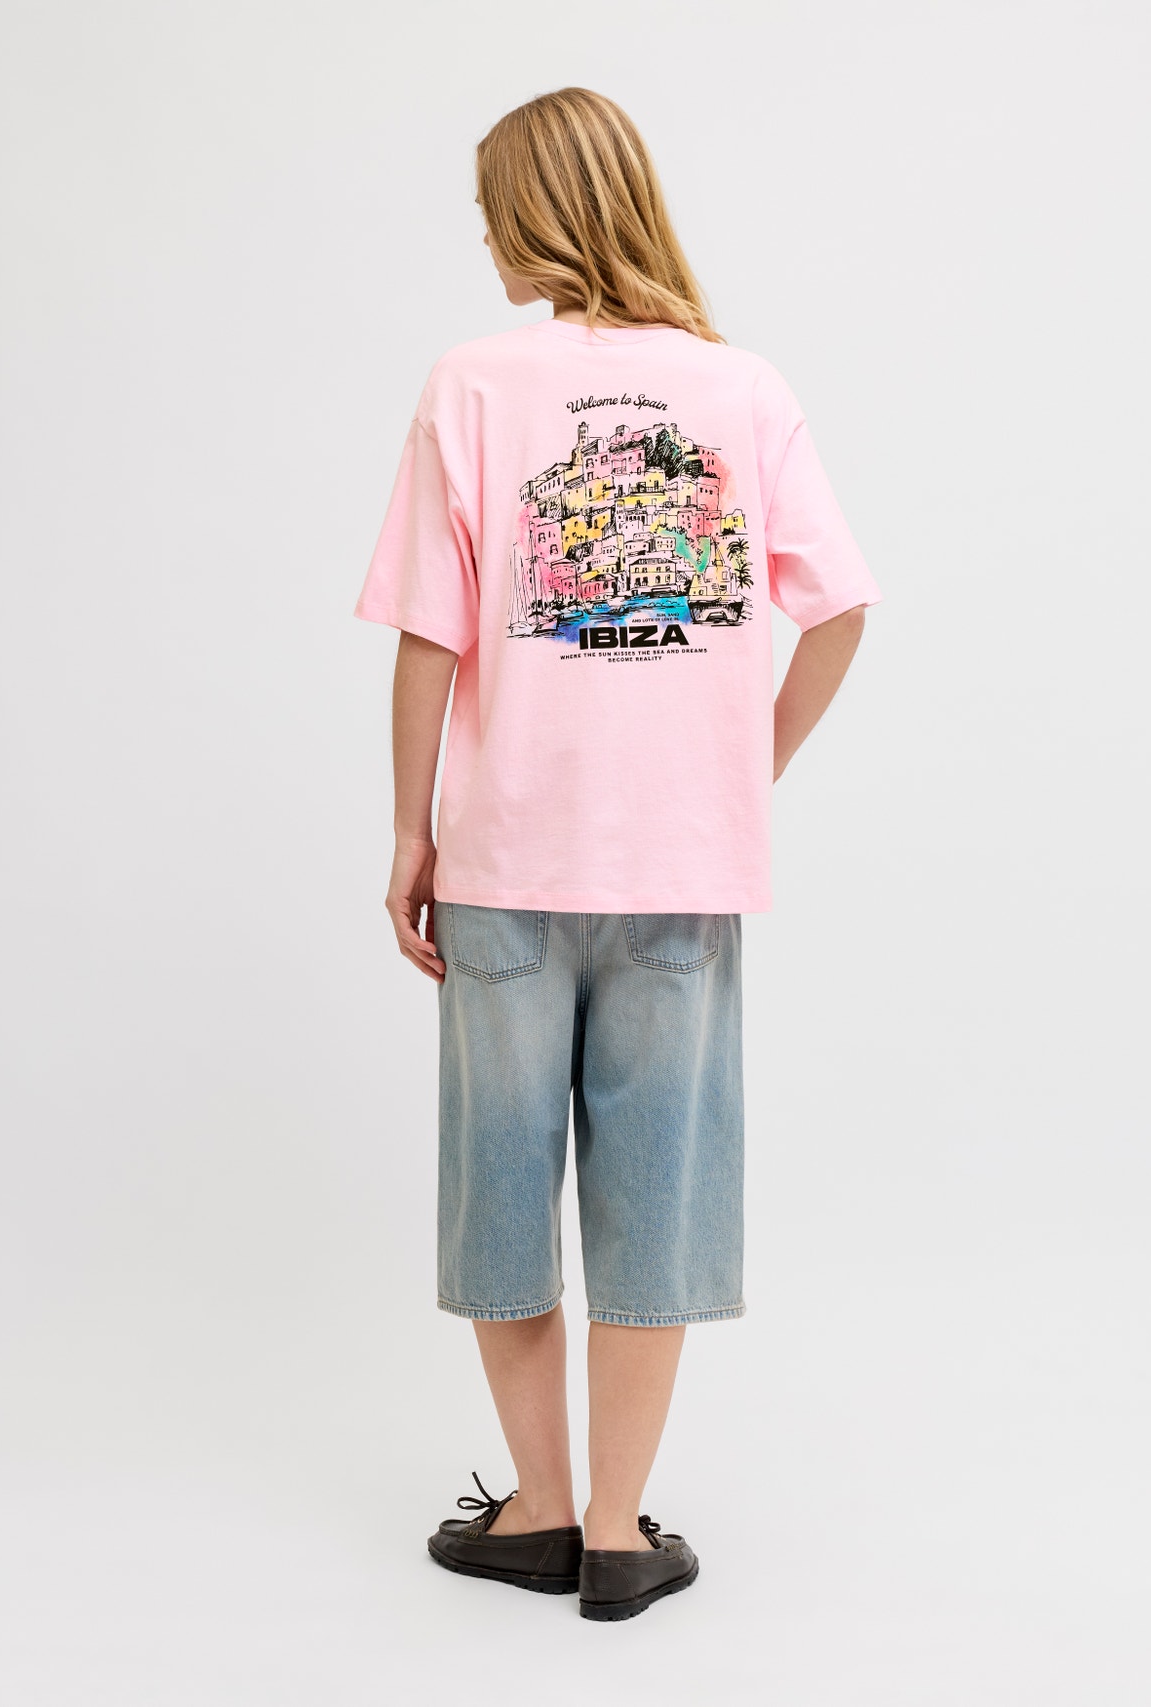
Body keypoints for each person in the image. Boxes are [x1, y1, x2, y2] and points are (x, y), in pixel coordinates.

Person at [355, 87, 881, 1622]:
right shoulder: (743, 388)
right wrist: (743, 770)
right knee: (660, 1185)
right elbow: (842, 607)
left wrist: (409, 830)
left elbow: (429, 638)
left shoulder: (472, 383)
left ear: (537, 217)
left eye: (493, 214)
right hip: (682, 872)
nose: (485, 242)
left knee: (500, 1180)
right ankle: (617, 1531)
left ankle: (536, 1505)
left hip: (504, 863)